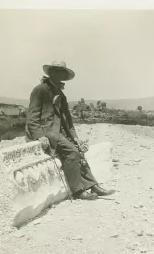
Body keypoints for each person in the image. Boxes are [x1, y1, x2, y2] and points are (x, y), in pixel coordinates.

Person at [25, 60, 115, 200]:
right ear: (52, 73)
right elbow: (32, 117)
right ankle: (77, 191)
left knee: (78, 150)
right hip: (46, 131)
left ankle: (92, 185)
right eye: (58, 72)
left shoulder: (61, 94)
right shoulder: (40, 90)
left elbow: (68, 121)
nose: (60, 75)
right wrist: (40, 136)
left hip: (59, 132)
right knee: (72, 152)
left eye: (62, 73)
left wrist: (76, 138)